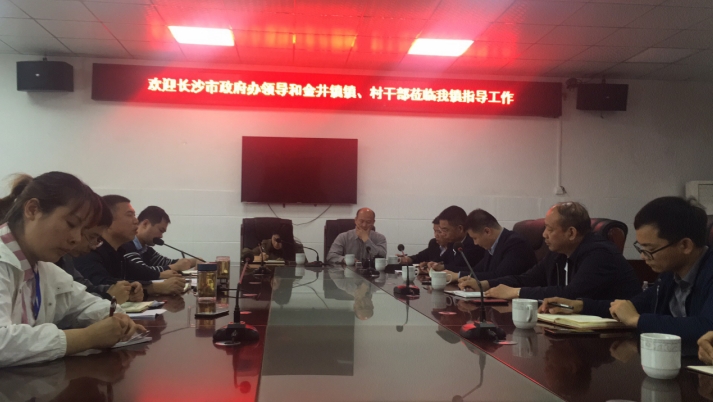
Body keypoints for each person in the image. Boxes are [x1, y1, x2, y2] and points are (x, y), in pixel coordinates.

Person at [0, 172, 144, 367]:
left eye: (83, 231)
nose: (76, 238)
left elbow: (84, 303)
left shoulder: (43, 268)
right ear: (32, 210)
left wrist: (117, 319)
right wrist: (86, 338)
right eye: (71, 224)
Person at [541, 197, 713, 353]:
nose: (643, 256)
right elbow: (633, 306)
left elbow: (707, 326)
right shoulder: (670, 275)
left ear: (685, 246)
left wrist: (638, 320)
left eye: (651, 249)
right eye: (641, 248)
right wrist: (580, 306)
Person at [468, 202, 640, 301]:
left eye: (550, 229)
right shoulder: (557, 253)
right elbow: (527, 279)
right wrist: (486, 284)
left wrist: (516, 292)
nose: (544, 235)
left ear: (571, 233)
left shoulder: (599, 254)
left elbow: (571, 294)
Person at [74, 195, 185, 296]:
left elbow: (139, 272)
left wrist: (159, 276)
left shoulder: (117, 252)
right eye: (129, 215)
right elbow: (101, 285)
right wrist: (156, 287)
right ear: (108, 221)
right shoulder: (88, 250)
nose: (136, 221)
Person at [56, 197, 141, 304]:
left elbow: (84, 289)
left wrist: (124, 290)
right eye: (71, 224)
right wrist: (109, 297)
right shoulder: (84, 255)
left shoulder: (65, 259)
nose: (136, 221)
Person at [457, 209, 536, 283]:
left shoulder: (516, 244)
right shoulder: (492, 245)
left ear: (487, 231)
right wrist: (458, 275)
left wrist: (459, 276)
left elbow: (499, 277)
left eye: (475, 238)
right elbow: (477, 270)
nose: (475, 243)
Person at [122, 205, 198, 274]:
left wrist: (196, 261)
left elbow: (168, 263)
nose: (161, 236)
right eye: (161, 230)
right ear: (145, 224)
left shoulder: (147, 250)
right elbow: (141, 271)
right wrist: (175, 267)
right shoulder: (125, 245)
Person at [428, 206, 486, 280]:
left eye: (445, 230)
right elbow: (442, 260)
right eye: (441, 230)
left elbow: (474, 270)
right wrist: (433, 265)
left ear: (460, 229)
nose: (442, 234)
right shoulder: (453, 242)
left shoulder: (475, 244)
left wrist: (444, 267)